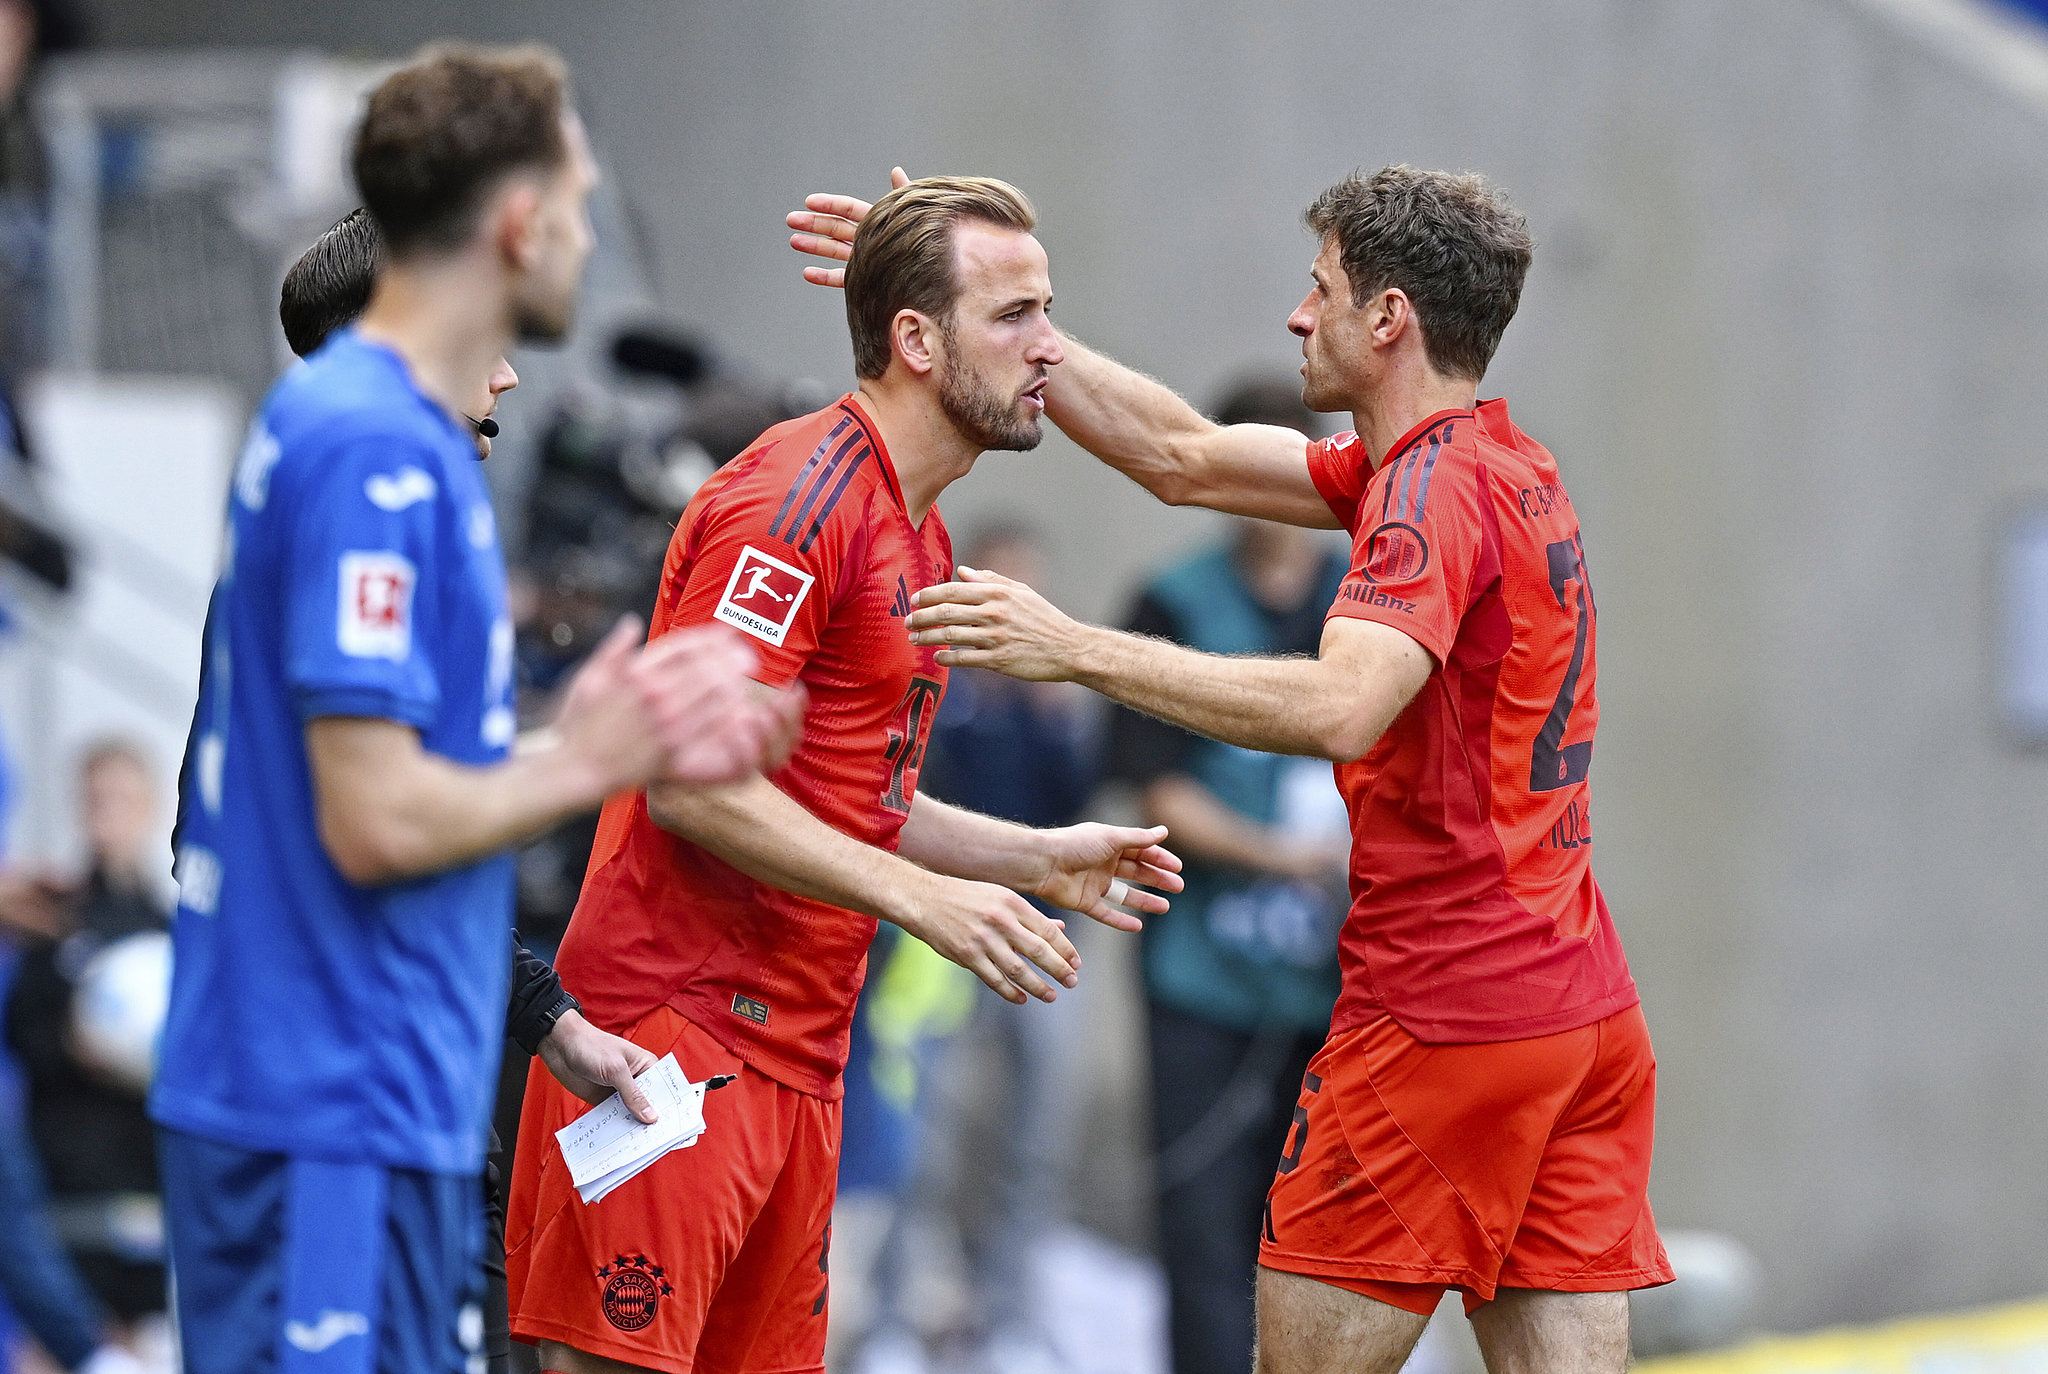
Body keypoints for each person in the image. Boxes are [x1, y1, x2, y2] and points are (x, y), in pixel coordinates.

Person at [795, 164, 1671, 1374]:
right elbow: (1181, 456)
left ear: (1389, 319)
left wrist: (1071, 648)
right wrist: (992, 314)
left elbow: (1339, 704)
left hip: (1440, 1017)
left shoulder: (1423, 489)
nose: (1296, 317)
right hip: (1578, 1012)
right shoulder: (1492, 463)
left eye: (1319, 290)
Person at [152, 44, 800, 1374]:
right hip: (322, 1107)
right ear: (516, 221)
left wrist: (551, 1021)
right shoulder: (373, 453)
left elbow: (408, 807)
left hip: (380, 1100)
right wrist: (593, 754)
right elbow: (380, 819)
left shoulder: (391, 452)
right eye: (577, 205)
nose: (581, 243)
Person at [503, 176, 1182, 1374]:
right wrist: (922, 901)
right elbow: (689, 784)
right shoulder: (794, 499)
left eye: (1047, 311)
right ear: (915, 341)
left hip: (801, 1063)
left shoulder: (918, 528)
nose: (1049, 351)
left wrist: (1029, 857)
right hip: (676, 1039)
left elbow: (842, 794)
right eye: (1015, 316)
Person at [272, 204, 672, 1374]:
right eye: (480, 341)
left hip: (421, 1108)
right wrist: (590, 755)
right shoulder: (345, 557)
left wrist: (545, 1021)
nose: (505, 377)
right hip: (352, 1125)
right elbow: (327, 842)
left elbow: (416, 858)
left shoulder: (404, 556)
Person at [1098, 380, 1350, 1374]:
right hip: (1203, 980)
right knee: (1203, 1230)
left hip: (1339, 988)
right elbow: (1151, 785)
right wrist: (1284, 858)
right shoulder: (1173, 603)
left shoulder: (1372, 594)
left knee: (1326, 1236)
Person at [5, 741, 171, 1332]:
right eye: (97, 801)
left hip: (148, 1198)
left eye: (123, 800)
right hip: (66, 1194)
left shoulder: (171, 932)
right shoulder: (48, 920)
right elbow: (23, 1039)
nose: (110, 816)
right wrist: (75, 1044)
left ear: (151, 807)